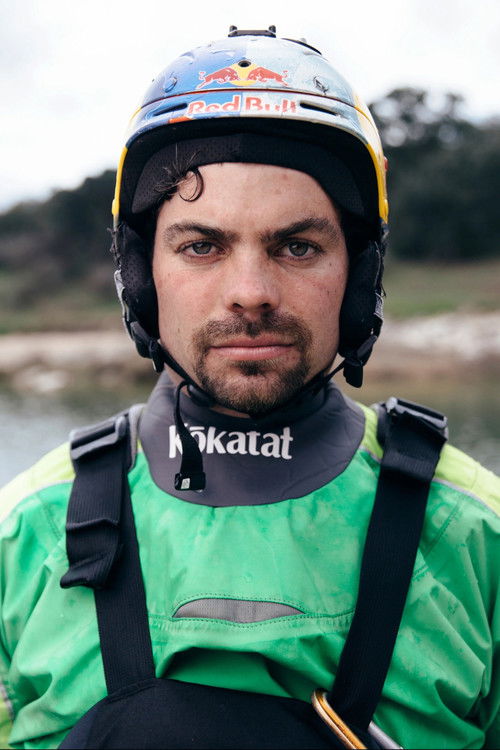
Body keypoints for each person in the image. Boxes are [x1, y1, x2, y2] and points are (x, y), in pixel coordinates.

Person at [0, 26, 498, 750]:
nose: (251, 292)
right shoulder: (22, 535)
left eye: (297, 246)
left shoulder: (478, 535)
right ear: (143, 276)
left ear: (358, 274)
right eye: (201, 246)